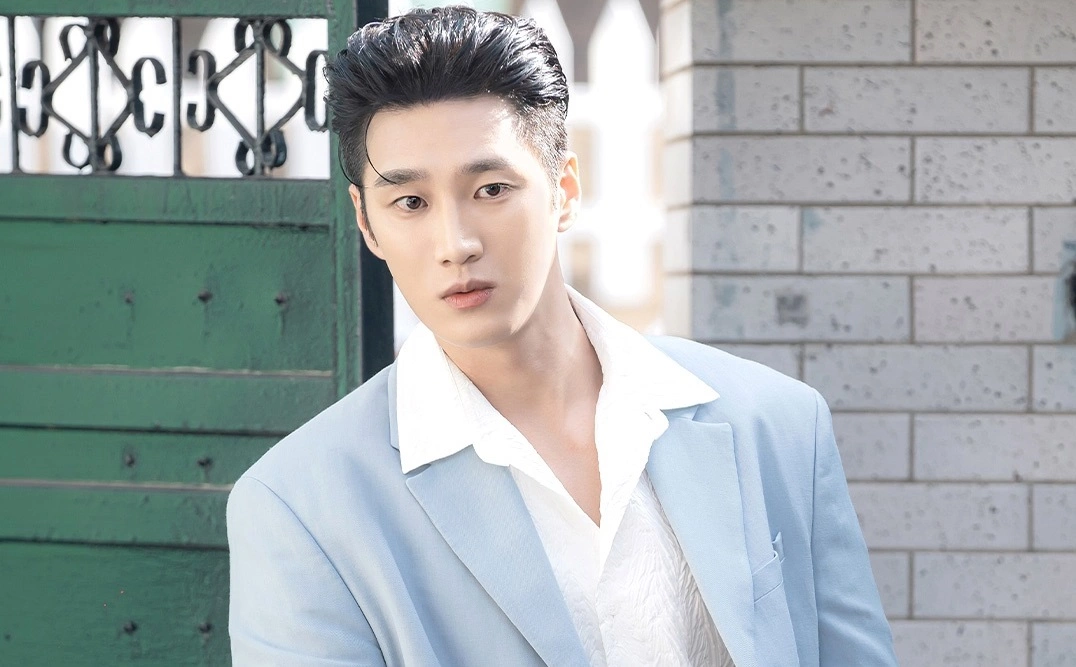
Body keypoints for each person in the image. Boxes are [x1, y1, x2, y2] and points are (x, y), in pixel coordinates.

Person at [226, 6, 897, 666]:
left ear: (564, 189)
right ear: (367, 223)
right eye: (410, 202)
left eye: (492, 189)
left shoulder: (777, 423)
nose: (455, 243)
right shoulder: (300, 509)